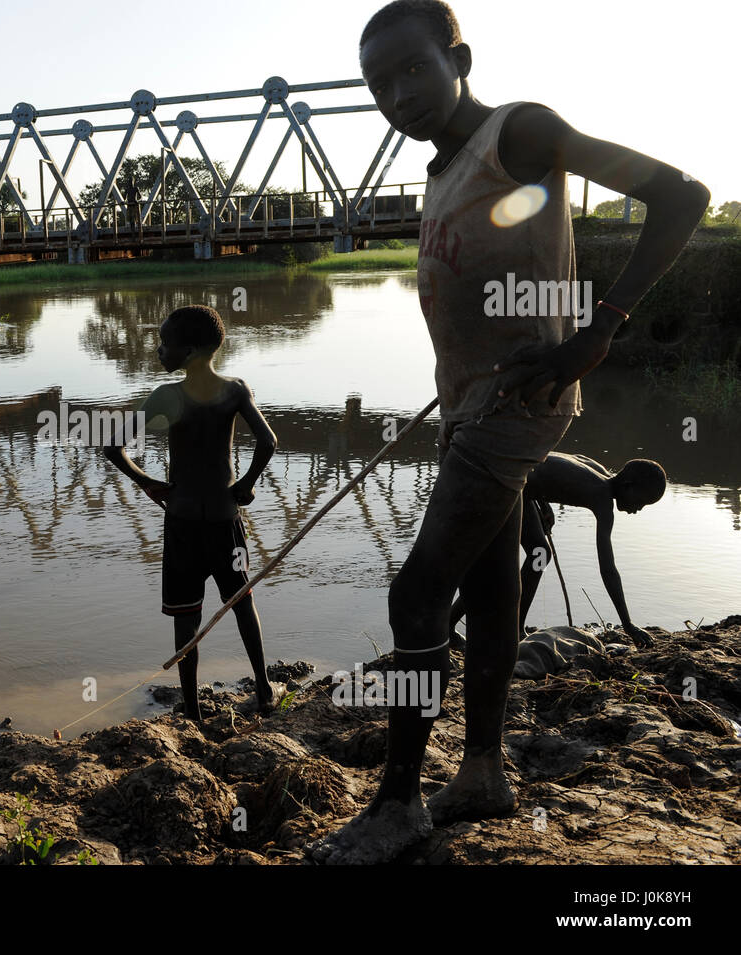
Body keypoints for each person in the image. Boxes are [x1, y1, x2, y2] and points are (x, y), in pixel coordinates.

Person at [310, 0, 709, 864]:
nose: (397, 94)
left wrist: (602, 325)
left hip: (516, 408)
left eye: (413, 69)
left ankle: (398, 801)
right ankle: (483, 772)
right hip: (468, 406)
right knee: (490, 595)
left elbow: (681, 194)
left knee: (415, 597)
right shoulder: (445, 166)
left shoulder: (516, 135)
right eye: (378, 83)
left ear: (460, 56)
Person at [104, 304, 283, 719]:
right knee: (241, 602)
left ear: (189, 351)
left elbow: (113, 447)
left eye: (165, 344)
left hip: (183, 521)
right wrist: (245, 484)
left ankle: (193, 710)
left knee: (186, 616)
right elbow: (269, 442)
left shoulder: (168, 396)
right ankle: (264, 689)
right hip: (224, 518)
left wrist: (148, 482)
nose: (159, 351)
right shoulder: (235, 390)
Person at [450, 453, 666, 647]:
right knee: (495, 570)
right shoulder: (602, 498)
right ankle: (449, 626)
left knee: (539, 553)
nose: (638, 509)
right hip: (503, 486)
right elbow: (608, 570)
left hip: (520, 485)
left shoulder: (597, 469)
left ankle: (516, 628)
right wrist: (627, 625)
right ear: (628, 485)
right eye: (641, 502)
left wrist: (542, 501)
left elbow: (546, 465)